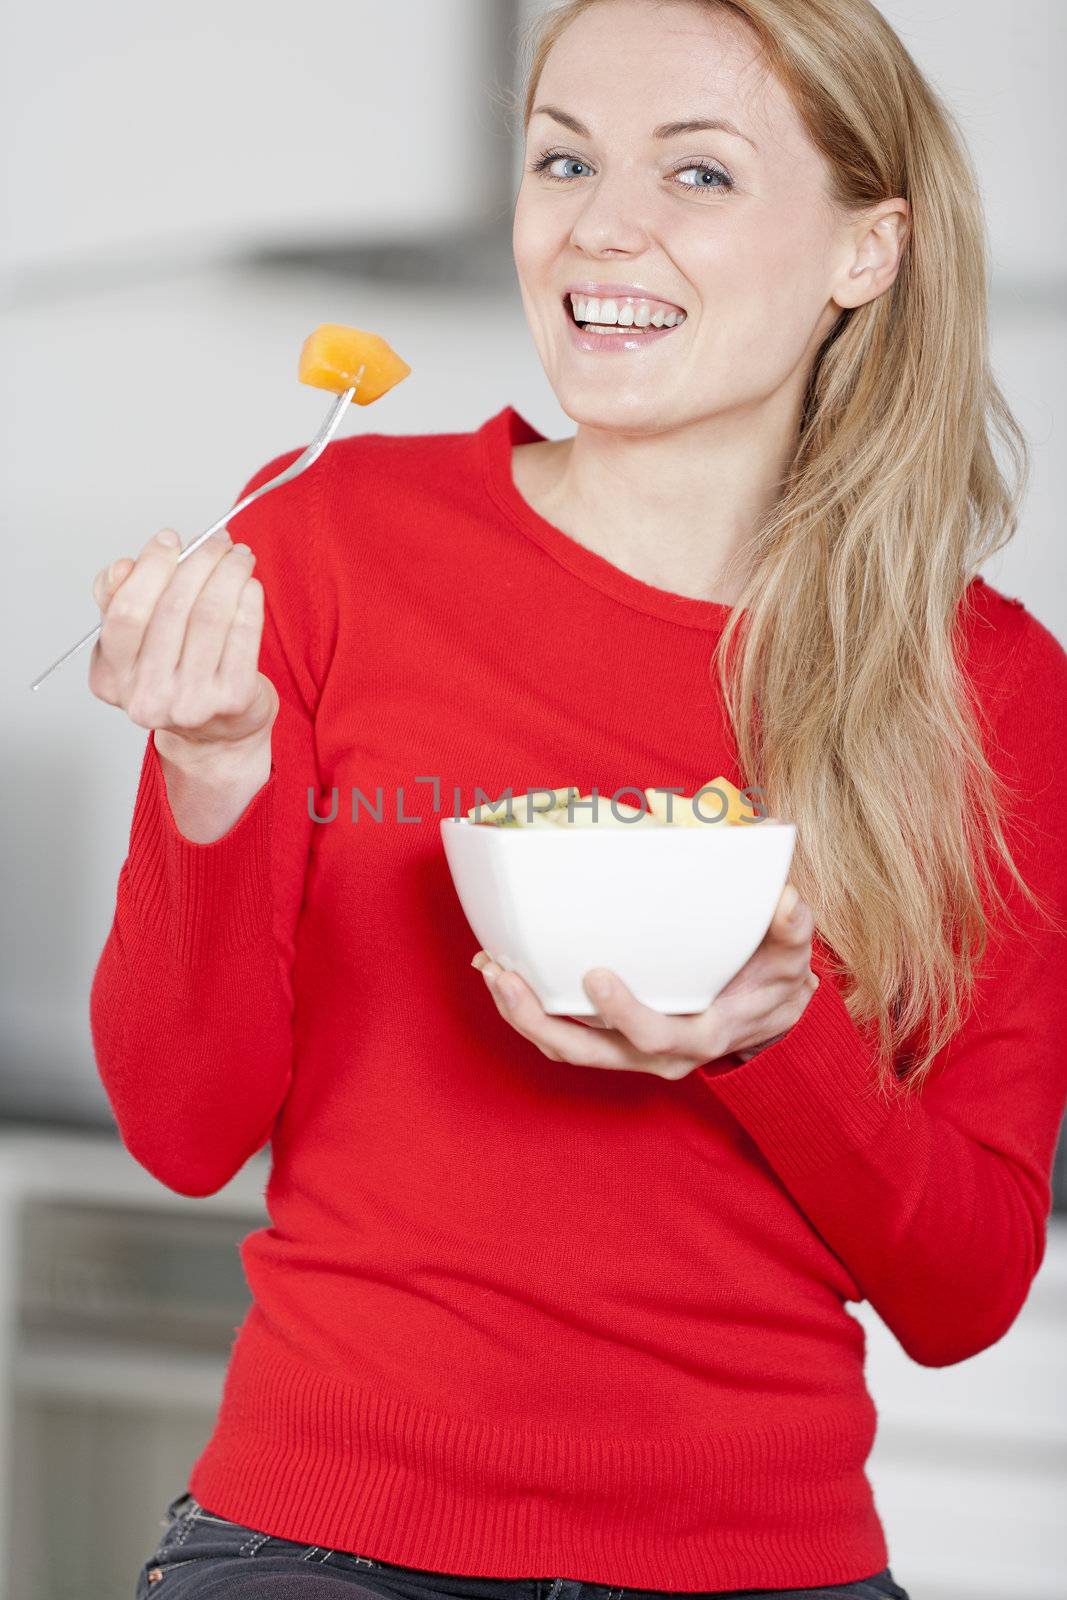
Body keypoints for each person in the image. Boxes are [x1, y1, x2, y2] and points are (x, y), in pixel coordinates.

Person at [87, 1, 1066, 1596]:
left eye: (699, 173)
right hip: (317, 1544)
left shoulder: (990, 687)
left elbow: (964, 1293)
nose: (602, 226)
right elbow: (182, 1131)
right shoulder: (331, 540)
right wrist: (210, 774)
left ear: (865, 251)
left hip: (767, 1565)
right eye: (564, 159)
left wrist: (771, 1036)